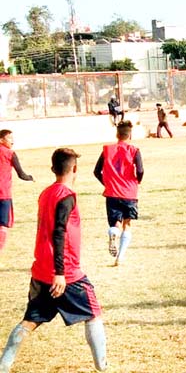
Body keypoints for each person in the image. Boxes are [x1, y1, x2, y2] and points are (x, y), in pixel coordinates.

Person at [0, 148, 108, 372]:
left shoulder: (46, 193)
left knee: (30, 320)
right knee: (94, 313)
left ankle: (4, 365)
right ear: (75, 169)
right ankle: (103, 366)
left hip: (41, 269)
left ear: (52, 169)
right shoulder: (67, 196)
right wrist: (59, 272)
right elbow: (59, 232)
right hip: (65, 273)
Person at [94, 121, 144, 266]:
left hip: (112, 193)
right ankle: (120, 257)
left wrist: (107, 183)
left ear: (117, 134)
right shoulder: (134, 150)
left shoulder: (107, 150)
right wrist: (137, 181)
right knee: (127, 224)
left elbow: (96, 171)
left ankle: (113, 232)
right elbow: (140, 170)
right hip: (129, 192)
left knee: (116, 222)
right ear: (130, 134)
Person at [0, 130, 34, 255]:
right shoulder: (10, 153)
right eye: (9, 138)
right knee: (3, 224)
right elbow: (21, 174)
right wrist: (30, 177)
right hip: (4, 193)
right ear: (2, 140)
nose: (12, 141)